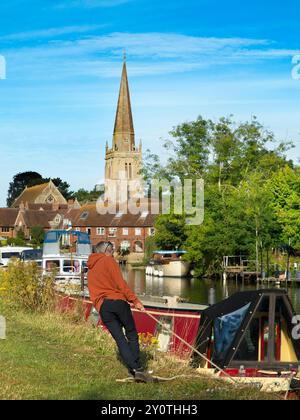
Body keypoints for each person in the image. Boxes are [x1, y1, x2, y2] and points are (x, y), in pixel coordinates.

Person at [87, 241, 152, 382]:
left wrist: (100, 306)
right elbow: (121, 284)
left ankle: (134, 370)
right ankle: (137, 369)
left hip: (103, 307)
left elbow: (92, 293)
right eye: (112, 251)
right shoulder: (108, 261)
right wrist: (135, 301)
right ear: (107, 251)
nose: (114, 254)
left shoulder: (90, 270)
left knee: (120, 339)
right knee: (132, 334)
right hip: (118, 302)